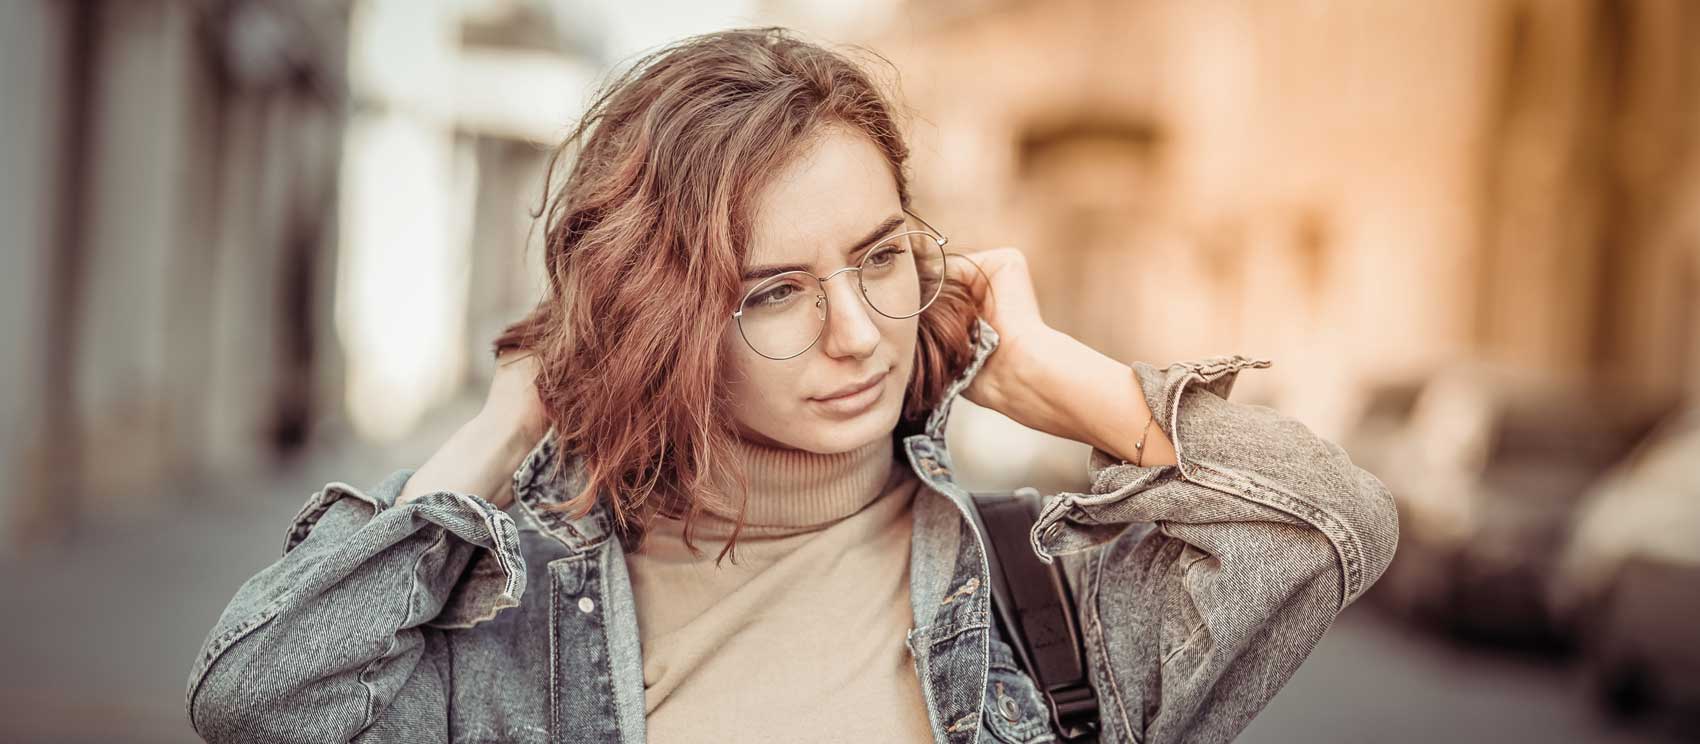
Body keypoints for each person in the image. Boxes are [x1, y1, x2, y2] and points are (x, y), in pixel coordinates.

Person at [184, 26, 1398, 744]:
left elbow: (1332, 520)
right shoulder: (521, 617)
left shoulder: (1039, 608)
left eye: (878, 259)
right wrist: (509, 420)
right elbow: (260, 697)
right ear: (664, 319)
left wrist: (1058, 378)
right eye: (773, 291)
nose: (858, 337)